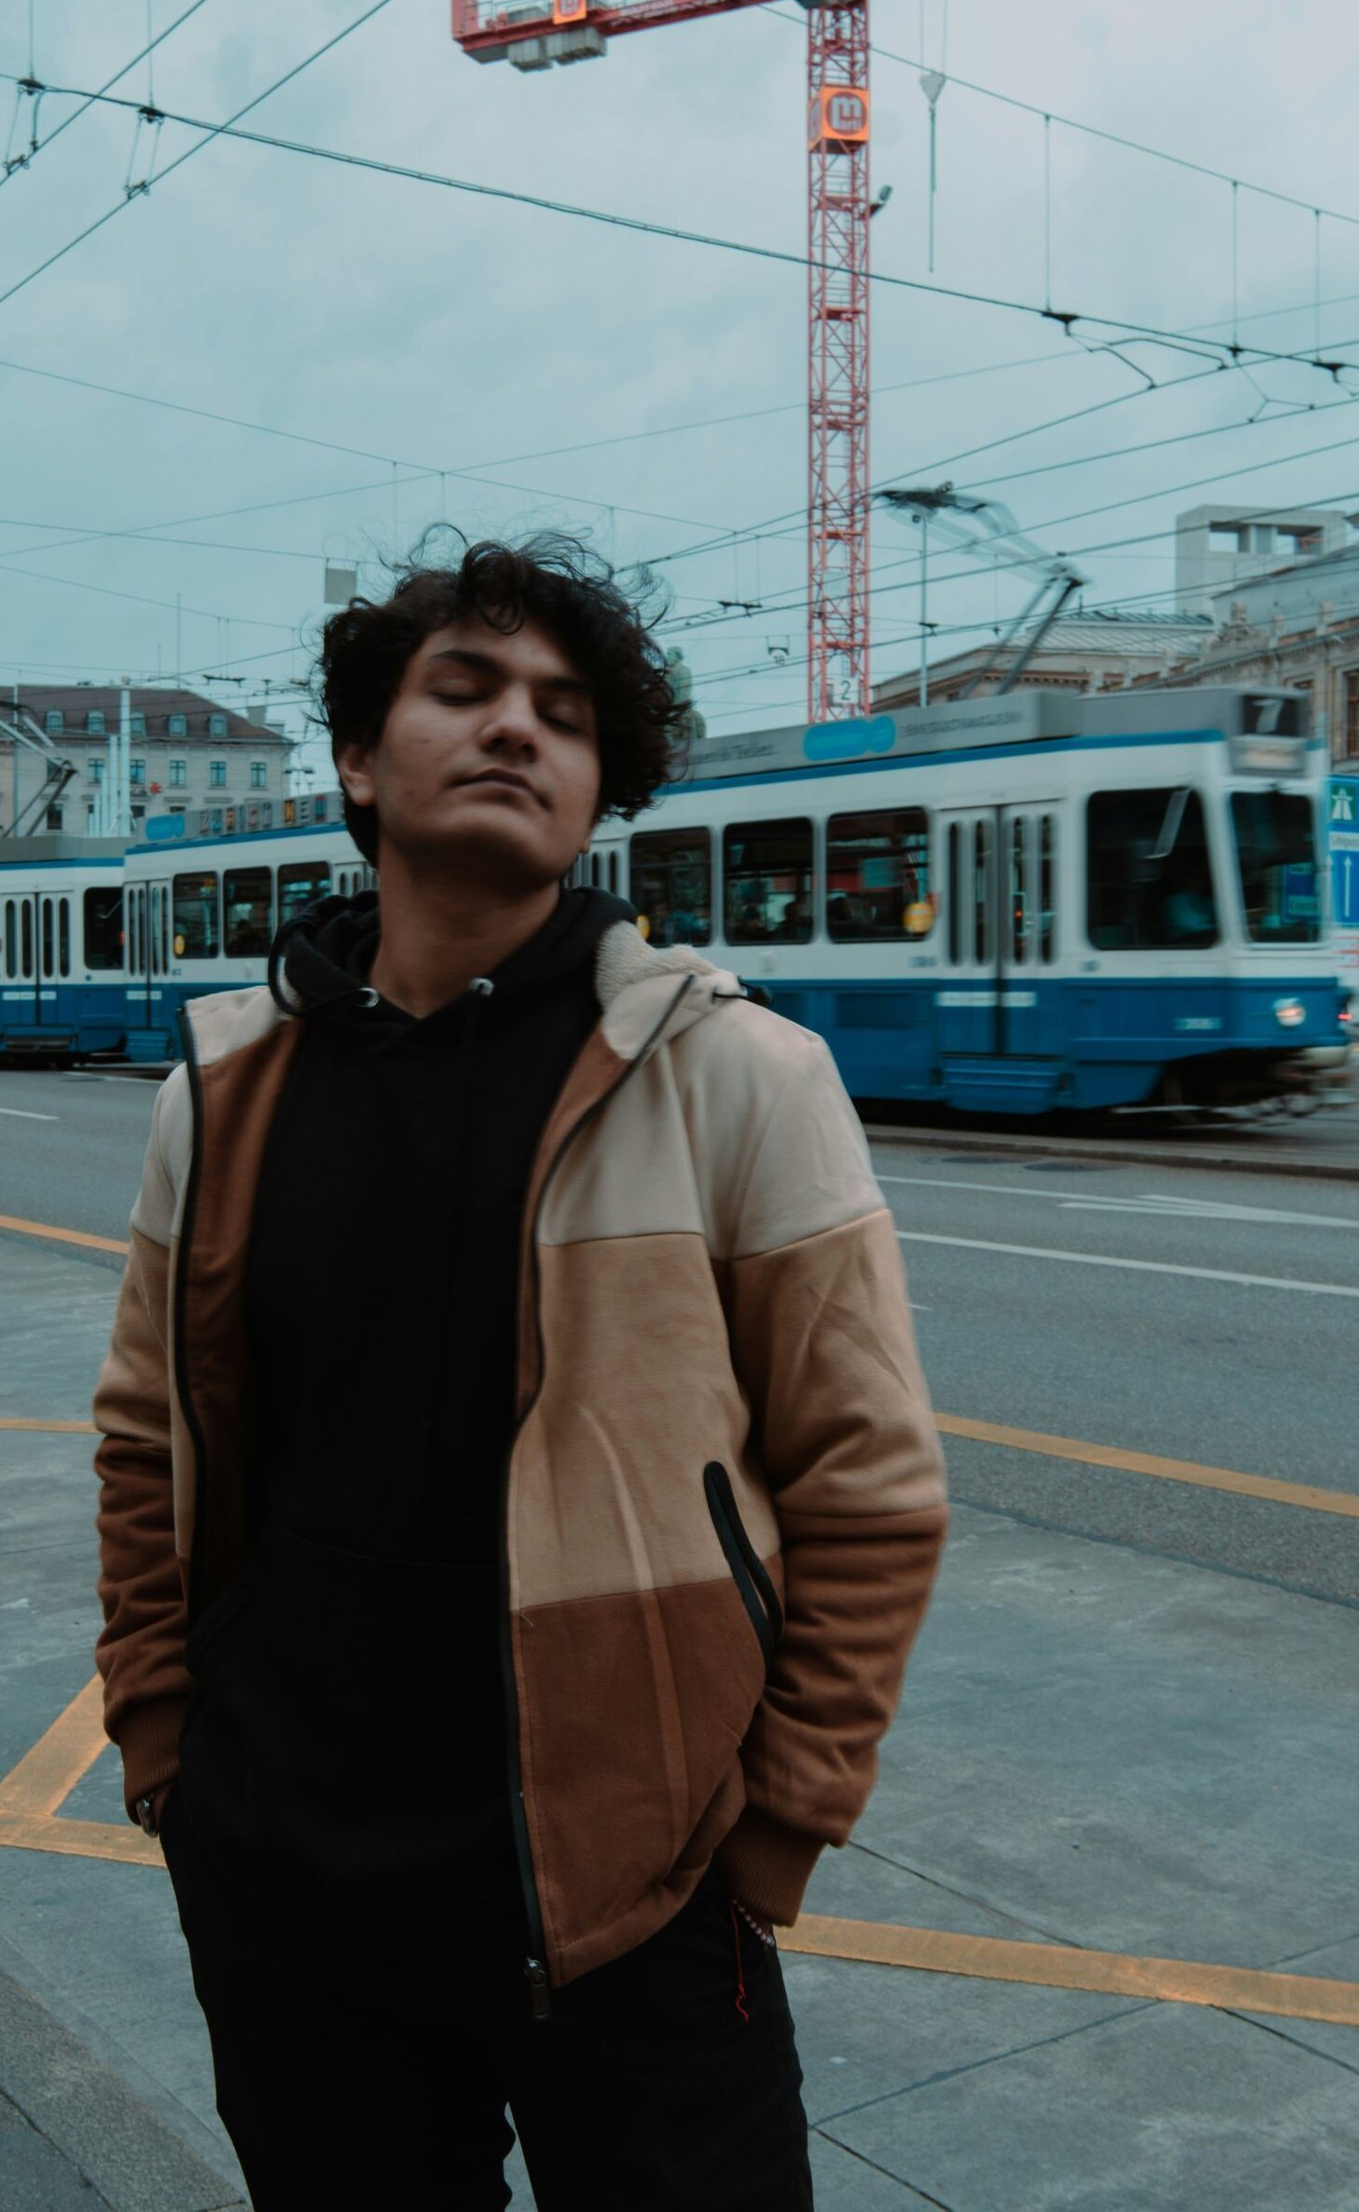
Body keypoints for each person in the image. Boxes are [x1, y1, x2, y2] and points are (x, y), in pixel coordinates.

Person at [92, 533, 947, 2210]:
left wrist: (769, 1835)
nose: (516, 730)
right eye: (462, 688)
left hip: (632, 1895)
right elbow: (145, 1442)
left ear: (599, 780)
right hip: (285, 1885)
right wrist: (165, 1741)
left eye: (564, 711)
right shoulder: (223, 1091)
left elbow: (874, 1487)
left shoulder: (736, 1078)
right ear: (358, 754)